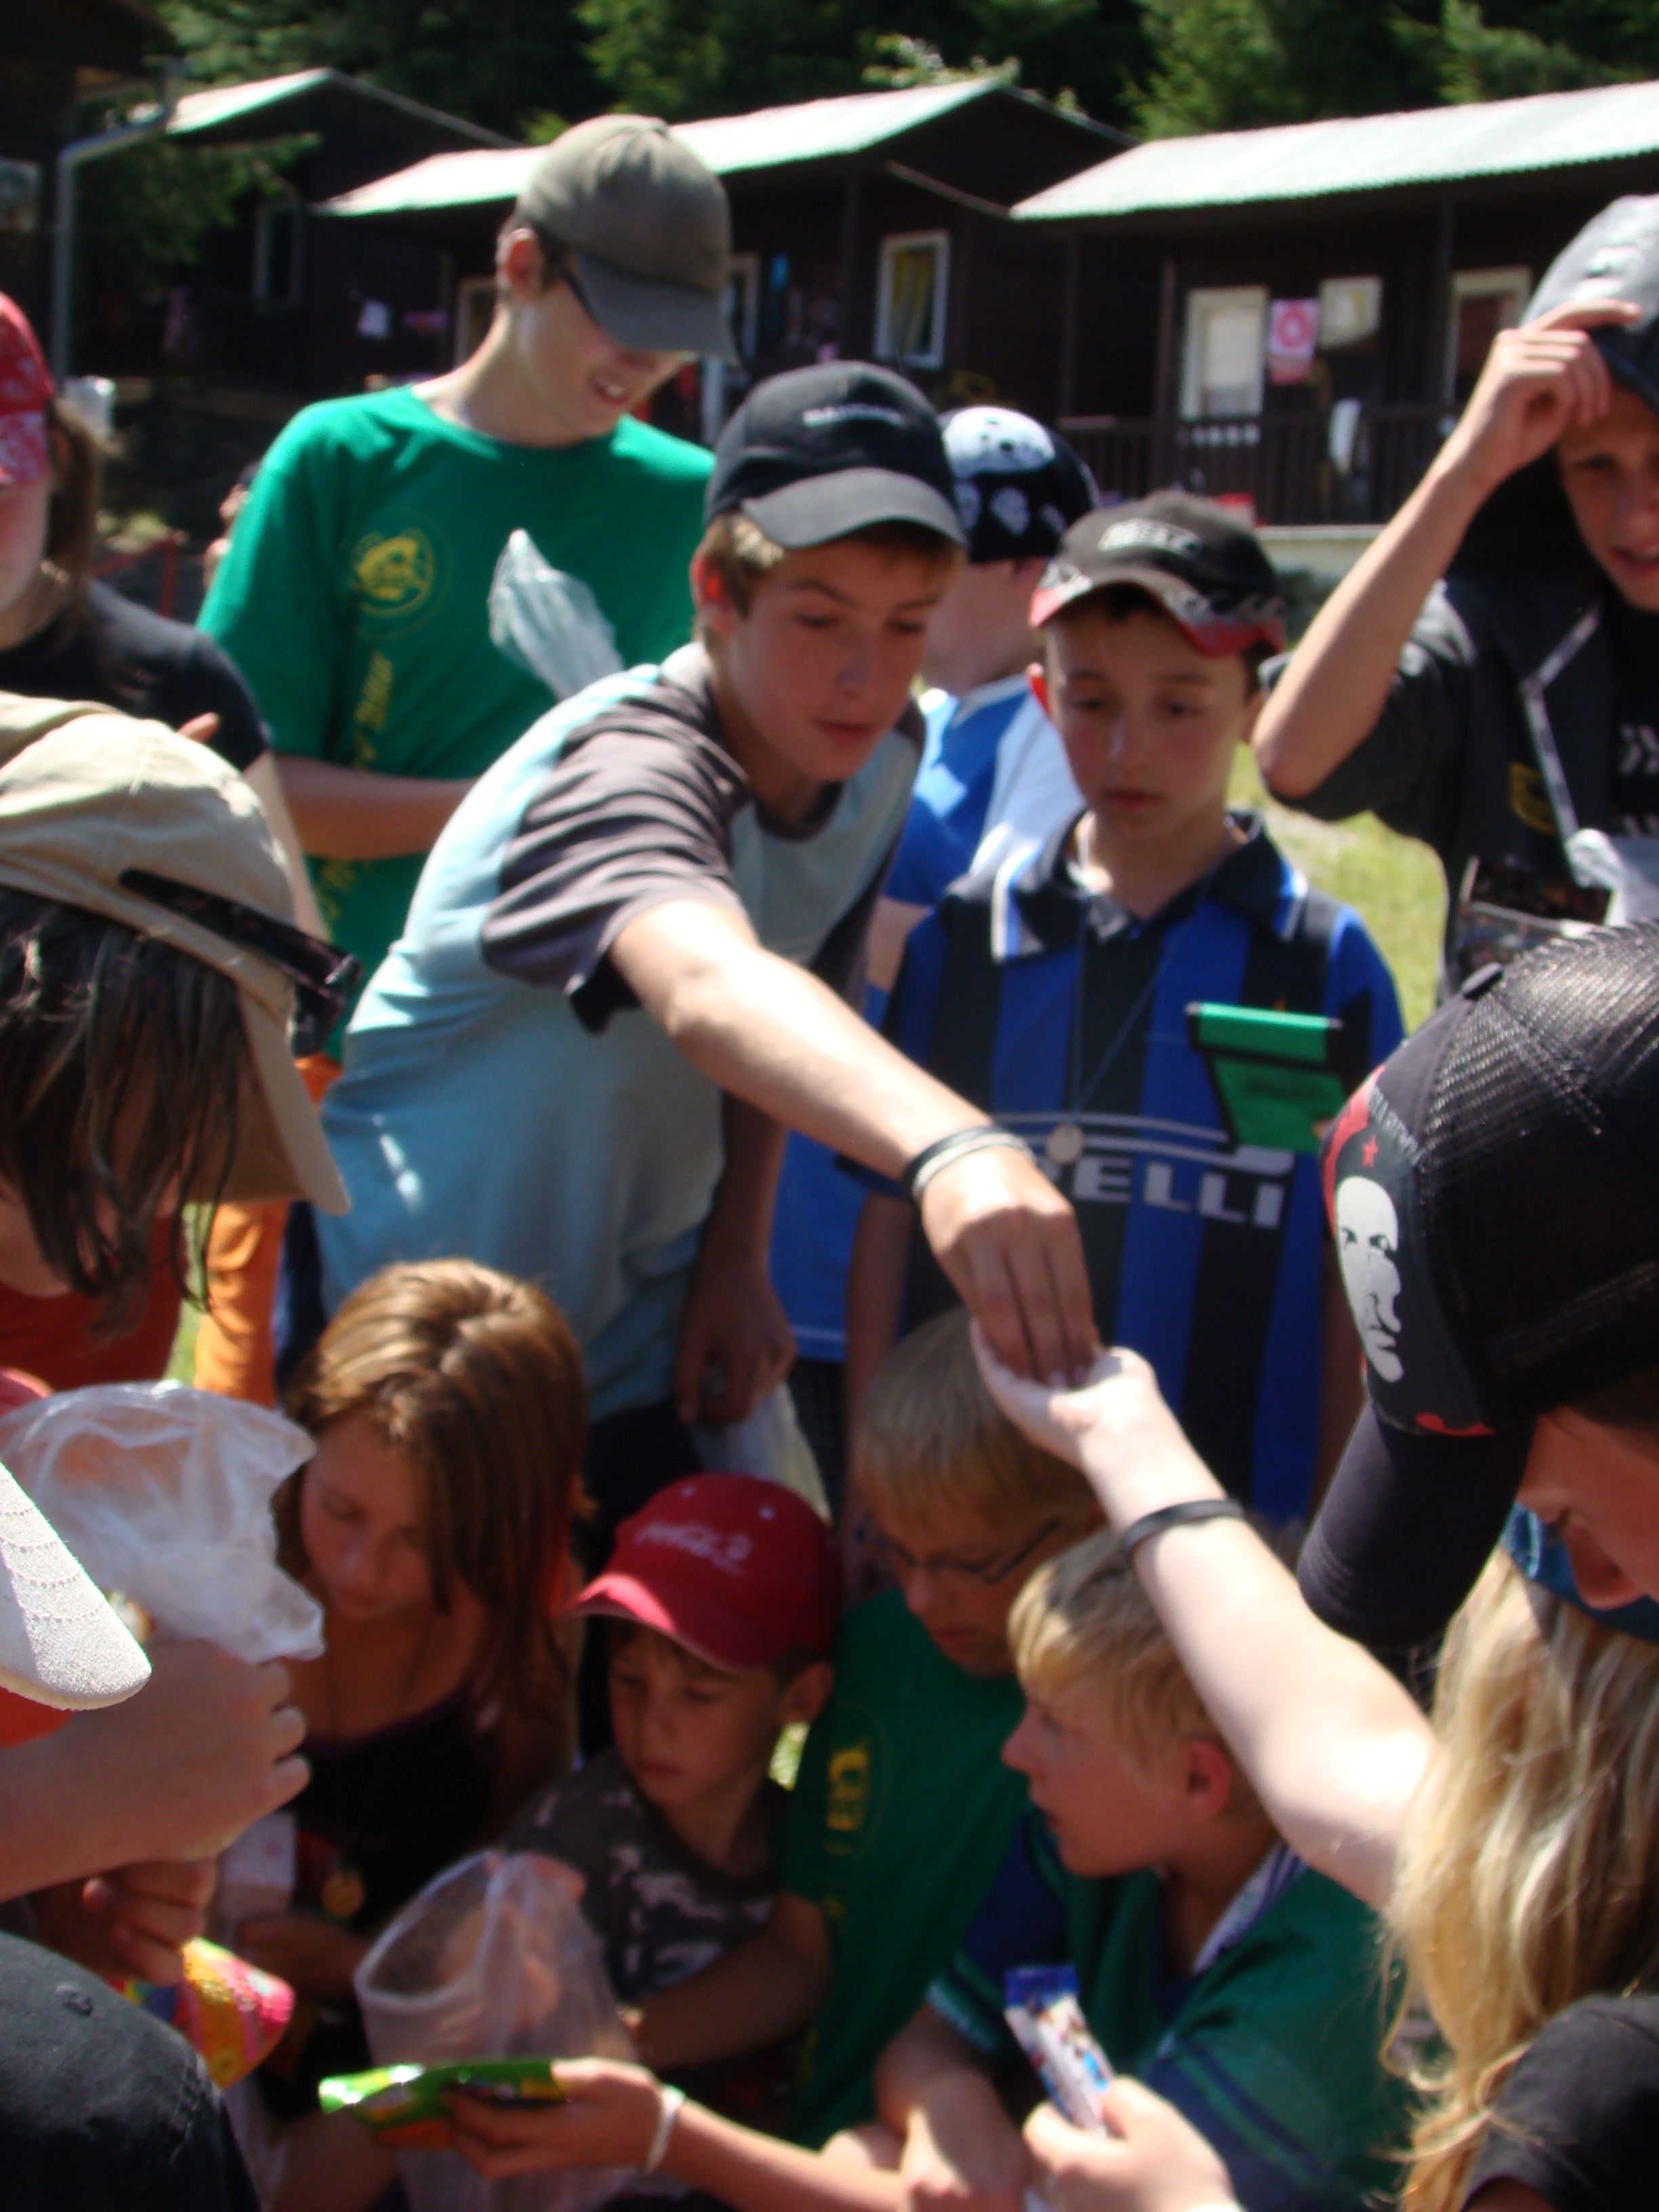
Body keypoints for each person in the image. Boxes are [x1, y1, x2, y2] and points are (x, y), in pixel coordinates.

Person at [313, 363, 1094, 1559]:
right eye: (820, 619)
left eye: (905, 624)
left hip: (628, 1349)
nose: (865, 672)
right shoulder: (620, 766)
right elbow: (708, 983)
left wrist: (738, 1250)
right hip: (409, 1354)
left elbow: (802, 982)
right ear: (717, 593)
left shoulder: (880, 753)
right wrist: (955, 1144)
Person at [197, 115, 728, 1401]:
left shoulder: (701, 501)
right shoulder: (342, 459)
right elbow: (249, 790)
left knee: (513, 1458)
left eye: (675, 335)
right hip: (336, 1057)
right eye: (621, 320)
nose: (645, 363)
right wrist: (528, 805)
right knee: (275, 1449)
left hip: (582, 1092)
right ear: (522, 265)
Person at [848, 493, 1401, 1525]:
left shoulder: (1321, 963)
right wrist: (868, 1492)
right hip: (981, 1519)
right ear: (1042, 697)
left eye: (1178, 707)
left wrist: (1338, 1525)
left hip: (1240, 1515)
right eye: (1092, 702)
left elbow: (1353, 1275)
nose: (1127, 748)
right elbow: (887, 1223)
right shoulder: (963, 947)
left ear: (1254, 704)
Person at [623, 1310, 1101, 2147]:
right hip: (823, 2136)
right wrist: (611, 2044)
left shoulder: (1122, 1718)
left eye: (964, 1563)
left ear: (1090, 1517)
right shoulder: (875, 1651)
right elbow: (800, 1954)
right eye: (898, 1551)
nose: (920, 1596)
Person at [872, 1525, 1409, 2212]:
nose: (1015, 1751)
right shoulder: (1102, 1840)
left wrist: (721, 2149)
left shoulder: (1332, 1977)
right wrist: (946, 2097)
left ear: (1197, 1779)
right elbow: (929, 2038)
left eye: (1055, 1724)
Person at [771, 407, 1095, 1508]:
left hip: (896, 1228)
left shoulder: (1046, 733)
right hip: (811, 1217)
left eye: (928, 576)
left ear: (1027, 573)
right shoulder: (936, 714)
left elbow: (984, 960)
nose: (901, 606)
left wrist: (774, 904)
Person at [1252, 194, 1659, 981]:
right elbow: (1296, 758)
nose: (1634, 512)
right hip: (1524, 1062)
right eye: (1594, 466)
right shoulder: (1505, 627)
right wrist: (1466, 466)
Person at [231, 1259, 586, 2127]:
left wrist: (362, 1966)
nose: (361, 1569)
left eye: (421, 1540)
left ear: (504, 1526)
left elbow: (515, 1843)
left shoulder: (523, 1621)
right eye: (341, 1510)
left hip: (399, 2055)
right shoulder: (225, 1572)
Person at [512, 1475, 837, 2116]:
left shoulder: (811, 1846)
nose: (651, 1724)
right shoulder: (572, 1837)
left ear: (801, 1697)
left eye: (698, 1694)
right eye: (628, 1678)